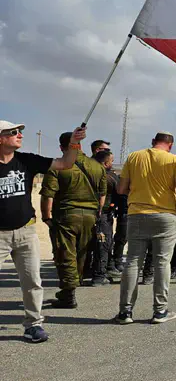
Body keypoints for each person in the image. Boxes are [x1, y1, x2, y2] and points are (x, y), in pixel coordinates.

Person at [0, 121, 86, 343]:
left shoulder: (26, 160)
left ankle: (33, 325)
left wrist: (74, 143)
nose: (19, 135)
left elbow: (66, 163)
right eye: (13, 132)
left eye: (20, 132)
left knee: (32, 282)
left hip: (26, 232)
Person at [113, 132, 176, 325]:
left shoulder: (134, 157)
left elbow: (121, 189)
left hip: (137, 214)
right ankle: (159, 311)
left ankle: (125, 312)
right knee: (162, 263)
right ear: (170, 145)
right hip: (165, 216)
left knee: (132, 262)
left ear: (153, 142)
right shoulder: (175, 161)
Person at [40, 131, 107, 308]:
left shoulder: (58, 165)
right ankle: (73, 284)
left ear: (62, 147)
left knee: (65, 253)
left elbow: (48, 195)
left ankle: (68, 293)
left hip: (66, 215)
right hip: (90, 215)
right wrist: (97, 213)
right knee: (81, 253)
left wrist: (46, 217)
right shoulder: (97, 166)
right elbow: (102, 195)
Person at [87, 149, 116, 286]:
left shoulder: (85, 173)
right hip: (102, 215)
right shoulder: (108, 177)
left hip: (87, 214)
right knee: (102, 244)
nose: (113, 163)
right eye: (111, 161)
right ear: (105, 163)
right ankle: (99, 275)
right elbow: (121, 192)